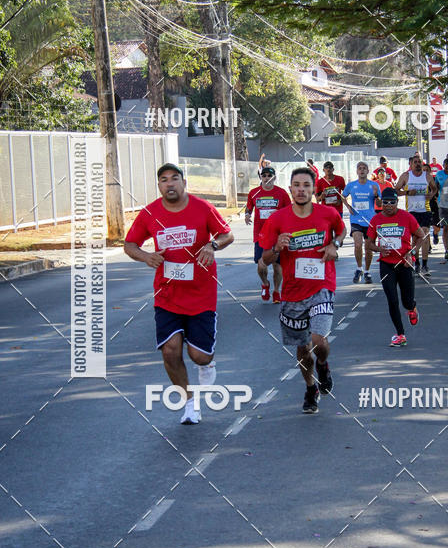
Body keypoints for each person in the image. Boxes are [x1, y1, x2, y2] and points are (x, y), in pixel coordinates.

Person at [124, 163, 234, 425]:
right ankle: (189, 403)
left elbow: (226, 235)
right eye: (164, 180)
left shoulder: (202, 208)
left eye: (174, 178)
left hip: (201, 293)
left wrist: (212, 245)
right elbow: (130, 244)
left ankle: (207, 363)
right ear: (159, 186)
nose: (169, 183)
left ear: (184, 183)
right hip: (167, 294)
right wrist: (146, 256)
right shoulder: (150, 213)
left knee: (200, 355)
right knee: (170, 351)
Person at [260, 167, 346, 414]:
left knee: (318, 340)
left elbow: (341, 230)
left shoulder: (328, 213)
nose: (301, 190)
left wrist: (334, 243)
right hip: (292, 292)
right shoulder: (277, 219)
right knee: (302, 349)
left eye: (306, 185)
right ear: (290, 189)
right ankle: (310, 388)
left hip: (322, 285)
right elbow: (265, 258)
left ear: (313, 189)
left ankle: (323, 364)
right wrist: (277, 248)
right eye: (296, 185)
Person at [365, 188, 426, 346]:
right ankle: (400, 334)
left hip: (404, 264)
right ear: (381, 203)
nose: (389, 205)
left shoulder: (407, 217)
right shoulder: (376, 220)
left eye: (392, 202)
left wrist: (411, 254)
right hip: (386, 265)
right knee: (392, 300)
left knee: (407, 301)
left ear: (397, 202)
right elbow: (368, 243)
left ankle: (412, 308)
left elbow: (421, 236)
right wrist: (378, 249)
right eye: (386, 202)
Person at [245, 167, 291, 302]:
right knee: (261, 264)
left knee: (277, 265)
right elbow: (249, 206)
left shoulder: (281, 193)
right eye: (264, 175)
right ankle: (265, 283)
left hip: (278, 234)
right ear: (261, 177)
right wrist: (247, 214)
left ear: (274, 177)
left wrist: (280, 216)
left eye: (269, 176)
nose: (266, 178)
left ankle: (276, 291)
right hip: (261, 234)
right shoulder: (254, 192)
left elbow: (289, 211)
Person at [395, 154, 435, 275]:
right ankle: (416, 263)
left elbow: (434, 188)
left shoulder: (427, 176)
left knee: (425, 235)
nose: (417, 164)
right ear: (411, 164)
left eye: (419, 162)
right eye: (415, 162)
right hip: (412, 212)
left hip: (425, 210)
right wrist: (407, 192)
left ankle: (425, 265)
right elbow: (396, 190)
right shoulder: (406, 176)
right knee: (415, 239)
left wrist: (431, 195)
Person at [342, 161, 381, 283]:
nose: (362, 170)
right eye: (360, 168)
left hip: (370, 220)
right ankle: (359, 268)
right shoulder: (351, 185)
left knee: (368, 248)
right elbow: (343, 196)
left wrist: (376, 196)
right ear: (357, 171)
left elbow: (380, 204)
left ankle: (367, 271)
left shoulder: (374, 185)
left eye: (364, 168)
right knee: (358, 244)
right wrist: (348, 207)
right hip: (356, 220)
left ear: (368, 171)